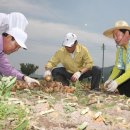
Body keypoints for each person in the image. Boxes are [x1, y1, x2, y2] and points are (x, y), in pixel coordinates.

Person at [0, 12, 39, 85]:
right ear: (8, 37)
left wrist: (25, 77)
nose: (16, 50)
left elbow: (7, 70)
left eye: (18, 48)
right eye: (16, 45)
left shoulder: (1, 53)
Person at [103, 20, 130, 97]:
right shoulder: (120, 49)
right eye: (114, 36)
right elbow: (117, 67)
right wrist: (110, 79)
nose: (115, 38)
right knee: (115, 72)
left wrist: (117, 82)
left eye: (117, 35)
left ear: (127, 34)